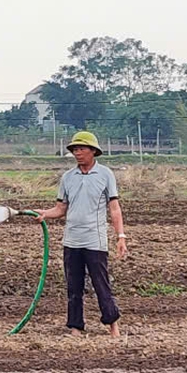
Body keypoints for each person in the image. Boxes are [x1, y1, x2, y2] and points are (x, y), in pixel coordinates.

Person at [35, 131, 127, 337]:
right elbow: (60, 209)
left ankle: (113, 325)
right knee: (73, 286)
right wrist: (45, 214)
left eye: (81, 149)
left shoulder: (105, 175)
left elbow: (114, 208)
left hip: (95, 240)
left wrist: (121, 236)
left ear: (93, 151)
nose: (77, 153)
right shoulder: (68, 177)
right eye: (75, 149)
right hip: (72, 240)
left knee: (101, 284)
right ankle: (76, 327)